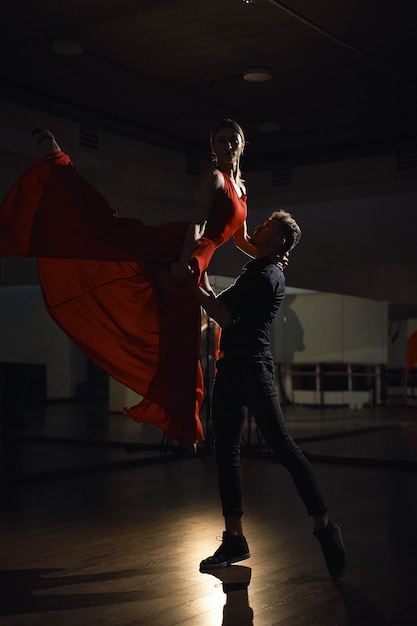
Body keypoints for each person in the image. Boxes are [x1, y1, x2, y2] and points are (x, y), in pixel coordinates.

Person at [0, 120, 262, 445]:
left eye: (233, 140)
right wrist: (185, 263)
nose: (227, 145)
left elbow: (243, 240)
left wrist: (274, 253)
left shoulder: (242, 188)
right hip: (180, 246)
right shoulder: (214, 178)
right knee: (106, 229)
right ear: (213, 146)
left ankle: (182, 424)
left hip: (194, 259)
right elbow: (197, 224)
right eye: (221, 140)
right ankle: (56, 158)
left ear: (242, 144)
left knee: (180, 334)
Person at [179, 209, 346, 580]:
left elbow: (222, 315)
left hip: (253, 368)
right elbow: (238, 238)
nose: (256, 229)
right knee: (226, 452)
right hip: (230, 366)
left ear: (279, 243)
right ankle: (234, 538)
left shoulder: (267, 275)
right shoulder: (257, 269)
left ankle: (323, 525)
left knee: (284, 447)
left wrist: (190, 284)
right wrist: (233, 184)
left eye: (264, 227)